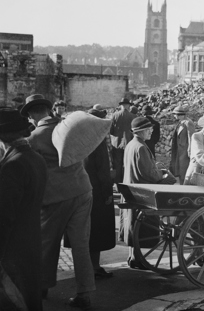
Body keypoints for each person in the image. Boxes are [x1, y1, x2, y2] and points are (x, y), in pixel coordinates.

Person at [21, 94, 95, 309]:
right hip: (83, 189)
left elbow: (32, 171)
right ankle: (85, 293)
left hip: (55, 197)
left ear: (33, 114)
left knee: (47, 243)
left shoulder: (34, 138)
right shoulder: (67, 128)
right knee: (81, 245)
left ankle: (42, 287)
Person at [0, 108, 47, 310]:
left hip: (11, 250)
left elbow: (4, 217)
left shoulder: (13, 164)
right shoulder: (35, 158)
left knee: (10, 301)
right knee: (27, 298)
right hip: (29, 242)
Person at [64, 108, 116, 279]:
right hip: (97, 192)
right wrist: (108, 191)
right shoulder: (97, 140)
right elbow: (103, 170)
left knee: (83, 231)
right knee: (97, 231)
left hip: (79, 187)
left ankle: (87, 267)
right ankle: (94, 267)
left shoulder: (78, 138)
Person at [121, 117, 167, 268]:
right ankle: (137, 258)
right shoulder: (141, 147)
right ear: (142, 131)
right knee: (138, 226)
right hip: (141, 192)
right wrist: (162, 173)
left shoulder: (131, 145)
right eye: (149, 129)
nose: (151, 131)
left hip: (131, 188)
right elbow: (149, 174)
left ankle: (133, 257)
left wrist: (154, 166)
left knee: (133, 225)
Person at [110, 97, 137, 184]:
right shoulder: (133, 116)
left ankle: (118, 184)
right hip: (129, 144)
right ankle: (127, 182)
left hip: (117, 144)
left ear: (121, 106)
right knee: (128, 164)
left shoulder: (114, 116)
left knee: (117, 165)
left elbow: (111, 131)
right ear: (128, 106)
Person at [169, 105, 194, 184]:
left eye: (175, 114)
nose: (174, 116)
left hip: (185, 151)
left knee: (184, 170)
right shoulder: (180, 122)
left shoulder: (188, 123)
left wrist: (190, 150)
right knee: (179, 170)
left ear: (180, 114)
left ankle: (185, 187)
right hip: (179, 150)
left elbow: (191, 137)